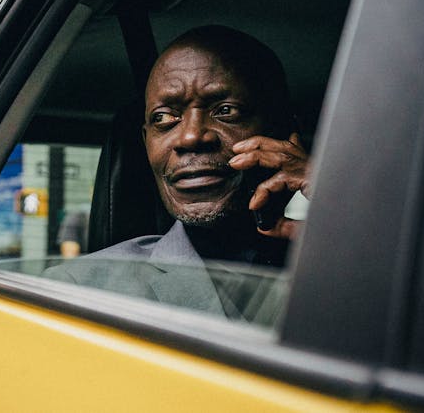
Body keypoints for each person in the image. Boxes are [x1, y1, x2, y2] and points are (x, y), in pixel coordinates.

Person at [44, 26, 311, 321]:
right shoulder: (81, 290)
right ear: (146, 143)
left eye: (226, 110)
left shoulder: (349, 265)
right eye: (164, 118)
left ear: (286, 132)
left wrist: (332, 197)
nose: (190, 137)